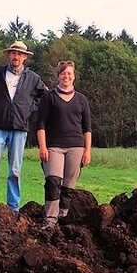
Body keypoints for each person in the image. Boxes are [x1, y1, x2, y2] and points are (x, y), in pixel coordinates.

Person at [0, 40, 47, 210]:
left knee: (15, 170)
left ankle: (13, 207)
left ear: (25, 57)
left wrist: (30, 108)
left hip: (20, 128)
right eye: (14, 53)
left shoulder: (33, 78)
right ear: (9, 55)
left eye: (20, 54)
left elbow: (45, 96)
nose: (16, 56)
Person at [35, 60, 92, 229]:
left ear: (73, 77)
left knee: (68, 186)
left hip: (76, 146)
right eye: (63, 73)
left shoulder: (82, 100)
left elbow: (87, 128)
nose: (66, 76)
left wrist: (87, 151)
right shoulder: (49, 97)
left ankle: (63, 216)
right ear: (58, 76)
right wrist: (43, 146)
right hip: (54, 146)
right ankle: (50, 219)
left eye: (69, 74)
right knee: (53, 182)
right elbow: (40, 125)